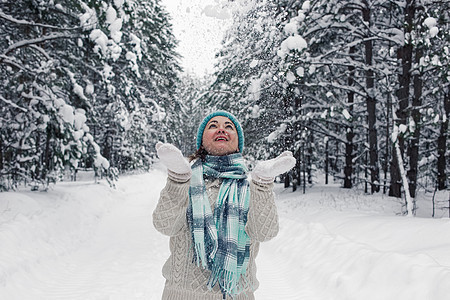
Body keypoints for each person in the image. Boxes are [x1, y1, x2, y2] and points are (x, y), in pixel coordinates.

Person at [153, 111, 296, 300]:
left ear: (238, 142)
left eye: (229, 126)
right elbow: (165, 226)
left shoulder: (250, 188)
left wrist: (262, 184)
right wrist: (178, 180)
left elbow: (264, 233)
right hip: (180, 294)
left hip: (237, 295)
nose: (221, 129)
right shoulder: (186, 180)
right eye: (213, 126)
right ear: (202, 141)